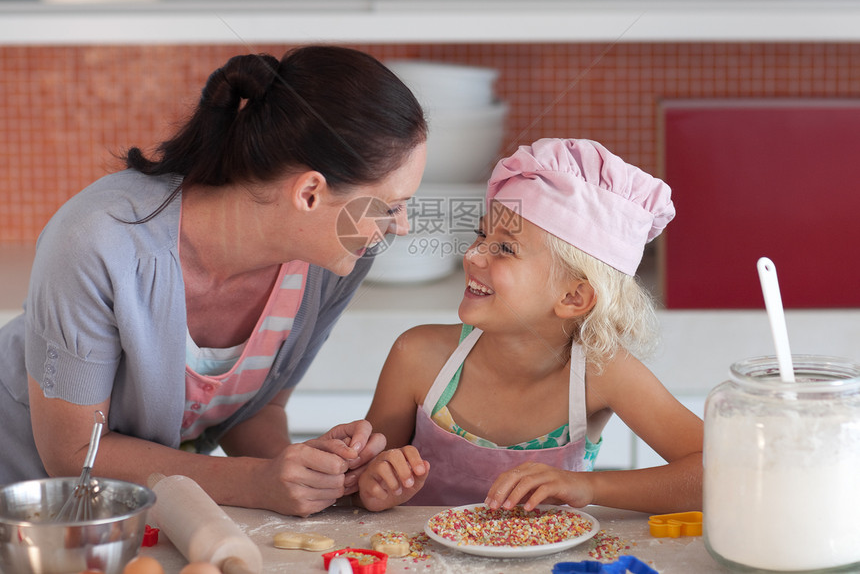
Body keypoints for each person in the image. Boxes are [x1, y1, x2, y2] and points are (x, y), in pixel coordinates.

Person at [0, 45, 428, 517]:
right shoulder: (97, 242)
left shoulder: (331, 261)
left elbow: (255, 410)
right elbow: (74, 454)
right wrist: (254, 482)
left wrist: (321, 472)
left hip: (150, 512)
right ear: (310, 193)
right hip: (26, 509)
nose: (401, 226)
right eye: (389, 206)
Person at [357, 138, 703, 513]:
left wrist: (589, 486)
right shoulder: (417, 357)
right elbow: (365, 481)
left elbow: (721, 472)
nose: (472, 255)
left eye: (504, 249)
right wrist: (374, 485)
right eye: (481, 235)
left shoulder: (601, 372)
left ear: (573, 297)